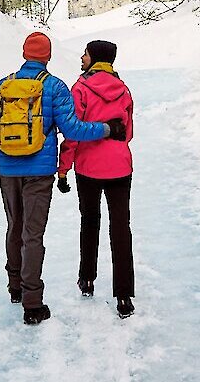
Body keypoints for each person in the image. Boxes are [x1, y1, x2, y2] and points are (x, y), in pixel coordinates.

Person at [0, 32, 127, 325]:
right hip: (40, 171)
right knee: (33, 234)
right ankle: (33, 303)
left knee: (14, 228)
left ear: (24, 54)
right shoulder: (55, 87)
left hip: (7, 168)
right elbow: (72, 130)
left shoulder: (2, 86)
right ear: (47, 56)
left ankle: (15, 287)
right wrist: (107, 130)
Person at [57, 40, 136, 319]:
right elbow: (128, 134)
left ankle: (87, 278)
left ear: (94, 59)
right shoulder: (124, 89)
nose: (81, 57)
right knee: (121, 228)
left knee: (90, 222)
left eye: (85, 54)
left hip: (88, 168)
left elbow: (73, 132)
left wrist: (63, 168)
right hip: (120, 167)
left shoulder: (80, 88)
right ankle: (124, 295)